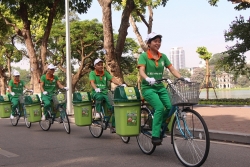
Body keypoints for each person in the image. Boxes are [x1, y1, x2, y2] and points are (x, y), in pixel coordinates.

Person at [137, 32, 184, 145]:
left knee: (169, 107)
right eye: (155, 41)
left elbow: (172, 69)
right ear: (149, 43)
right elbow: (141, 70)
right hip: (148, 88)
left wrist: (182, 78)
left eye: (159, 41)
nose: (158, 43)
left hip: (160, 87)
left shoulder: (163, 56)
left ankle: (157, 123)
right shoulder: (144, 56)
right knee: (159, 108)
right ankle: (155, 135)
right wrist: (147, 78)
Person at [89, 58, 126, 133]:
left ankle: (112, 126)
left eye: (101, 65)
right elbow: (92, 82)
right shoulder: (92, 73)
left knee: (113, 107)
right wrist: (96, 88)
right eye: (98, 65)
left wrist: (121, 84)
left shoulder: (105, 73)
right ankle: (97, 112)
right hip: (96, 92)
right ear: (95, 66)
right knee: (99, 97)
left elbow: (112, 79)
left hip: (105, 92)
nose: (101, 66)